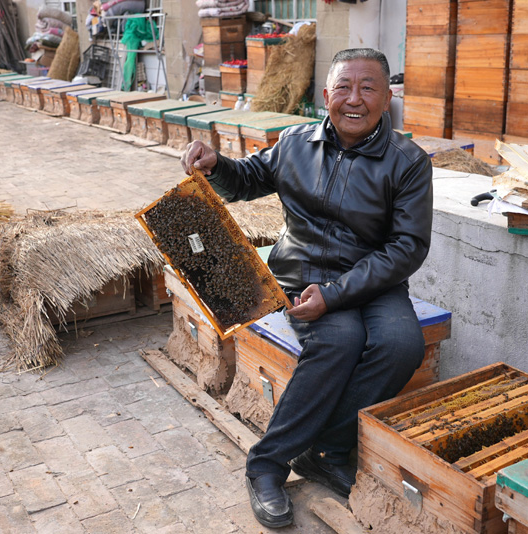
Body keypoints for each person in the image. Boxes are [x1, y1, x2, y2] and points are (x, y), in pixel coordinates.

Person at [181, 48, 433, 528]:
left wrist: (338, 295)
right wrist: (216, 165)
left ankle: (329, 449)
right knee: (340, 340)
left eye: (368, 87)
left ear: (387, 98)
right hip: (306, 273)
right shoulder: (296, 142)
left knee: (402, 345)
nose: (354, 99)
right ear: (326, 95)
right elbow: (247, 179)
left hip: (374, 281)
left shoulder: (408, 162)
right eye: (343, 87)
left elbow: (407, 247)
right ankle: (267, 466)